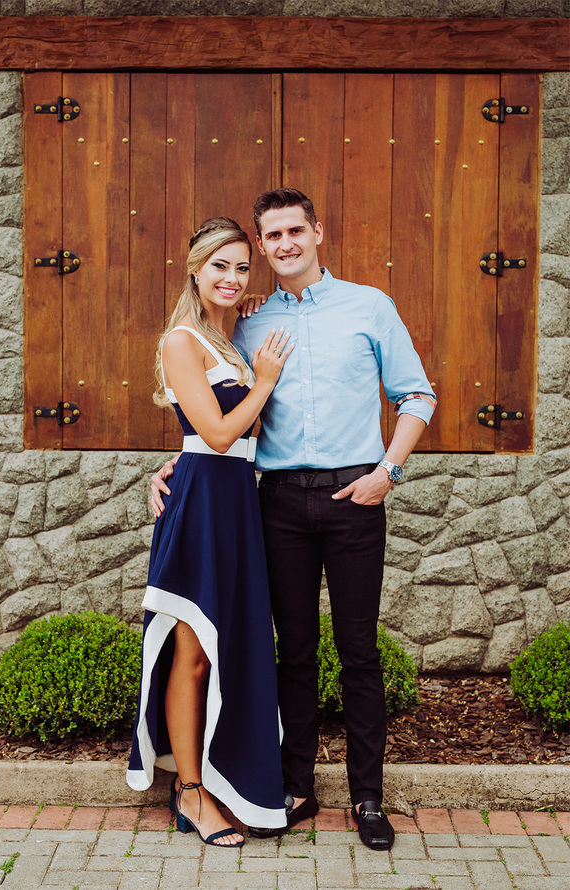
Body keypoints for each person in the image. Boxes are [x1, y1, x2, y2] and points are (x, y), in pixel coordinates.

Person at [152, 188, 436, 851]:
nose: (283, 245)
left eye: (293, 232)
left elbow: (416, 394)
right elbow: (216, 415)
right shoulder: (245, 323)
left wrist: (386, 474)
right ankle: (296, 787)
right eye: (271, 237)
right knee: (294, 652)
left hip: (354, 496)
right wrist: (173, 465)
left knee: (358, 651)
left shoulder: (369, 306)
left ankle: (368, 797)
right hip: (273, 503)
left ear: (317, 234)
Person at [127, 217, 293, 847]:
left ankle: (218, 782)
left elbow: (221, 440)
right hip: (203, 506)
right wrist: (268, 381)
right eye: (219, 266)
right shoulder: (180, 340)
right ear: (194, 268)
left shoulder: (224, 340)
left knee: (226, 647)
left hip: (235, 503)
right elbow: (220, 435)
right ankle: (191, 795)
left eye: (242, 267)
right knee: (192, 654)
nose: (232, 278)